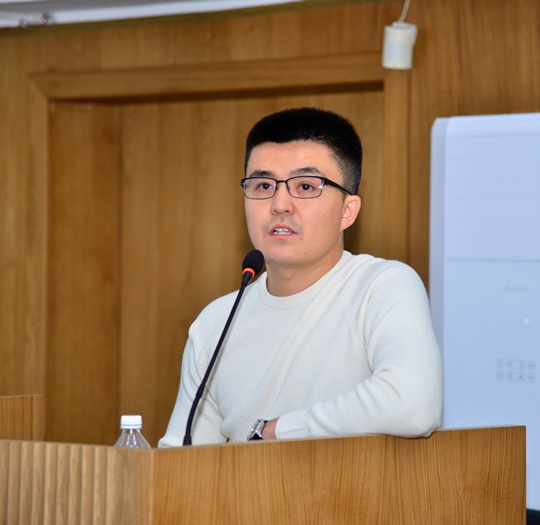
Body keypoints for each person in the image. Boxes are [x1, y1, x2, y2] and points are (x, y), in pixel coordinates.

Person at [158, 107, 442, 447]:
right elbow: (183, 461)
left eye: (305, 186)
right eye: (263, 185)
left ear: (347, 211)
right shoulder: (215, 323)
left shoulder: (381, 287)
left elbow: (413, 405)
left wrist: (278, 430)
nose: (280, 204)